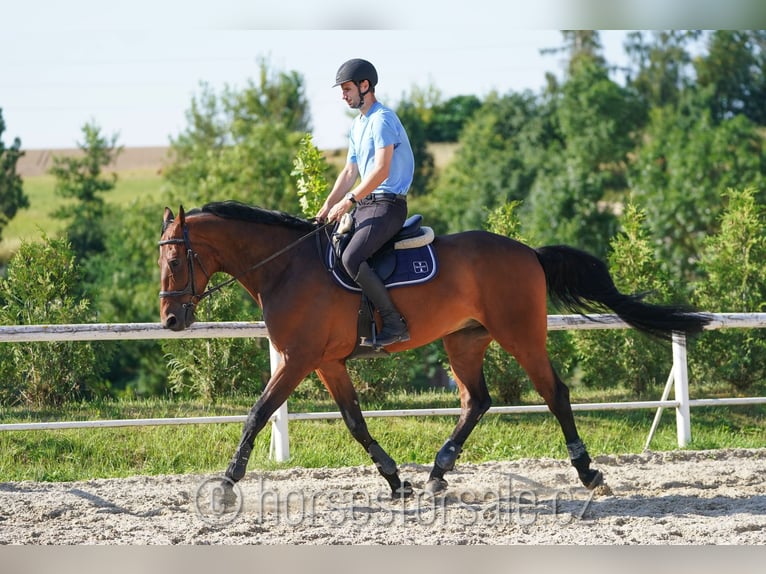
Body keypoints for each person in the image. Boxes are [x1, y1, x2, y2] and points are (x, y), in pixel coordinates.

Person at [316, 58, 415, 347]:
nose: (343, 95)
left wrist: (348, 201)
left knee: (351, 258)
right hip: (365, 204)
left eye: (347, 88)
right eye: (342, 90)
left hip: (387, 206)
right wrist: (325, 207)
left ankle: (394, 323)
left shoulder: (383, 120)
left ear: (364, 85)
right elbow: (349, 172)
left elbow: (382, 170)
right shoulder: (358, 125)